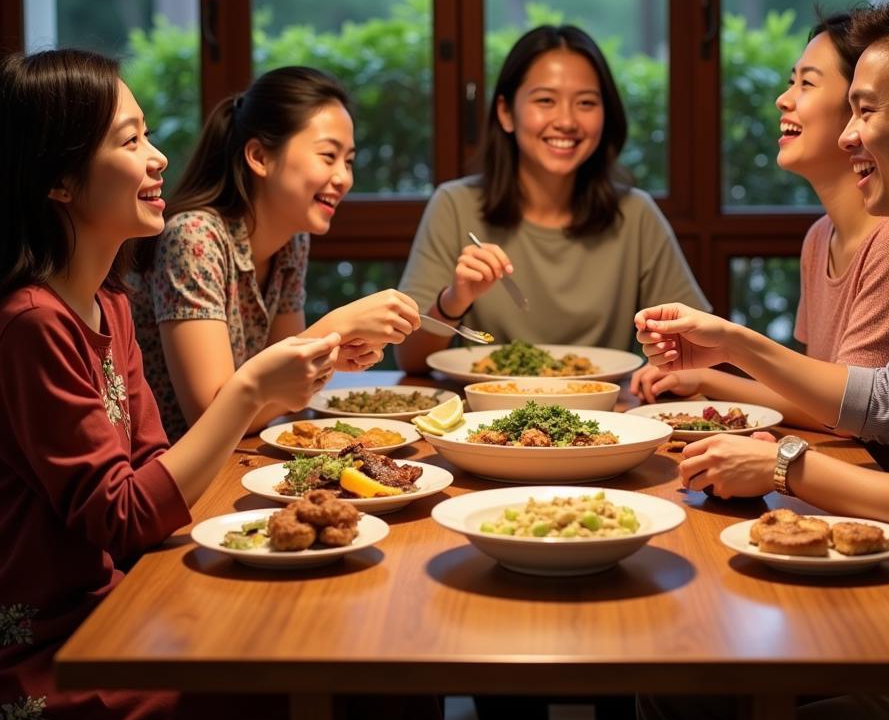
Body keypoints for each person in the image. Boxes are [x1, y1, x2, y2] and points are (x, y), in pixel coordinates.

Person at [634, 0, 889, 720]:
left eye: (865, 111)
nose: (848, 136)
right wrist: (731, 341)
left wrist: (785, 465)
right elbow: (885, 398)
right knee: (672, 687)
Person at [632, 12, 889, 470]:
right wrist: (702, 377)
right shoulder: (820, 237)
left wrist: (717, 366)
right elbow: (819, 396)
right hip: (838, 472)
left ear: (859, 107)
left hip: (876, 495)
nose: (783, 99)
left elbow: (852, 416)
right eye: (791, 82)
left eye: (807, 84)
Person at [395, 24, 709, 374]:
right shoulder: (454, 205)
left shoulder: (636, 215)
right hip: (485, 419)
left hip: (609, 418)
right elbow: (410, 360)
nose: (566, 121)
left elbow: (702, 347)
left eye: (586, 103)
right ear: (506, 113)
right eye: (545, 100)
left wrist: (670, 363)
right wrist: (454, 300)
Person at [131, 66, 421, 441]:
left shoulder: (291, 241)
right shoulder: (192, 239)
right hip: (169, 472)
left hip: (235, 457)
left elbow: (285, 398)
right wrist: (334, 331)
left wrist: (331, 357)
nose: (344, 178)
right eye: (328, 156)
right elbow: (210, 419)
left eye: (348, 161)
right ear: (259, 157)